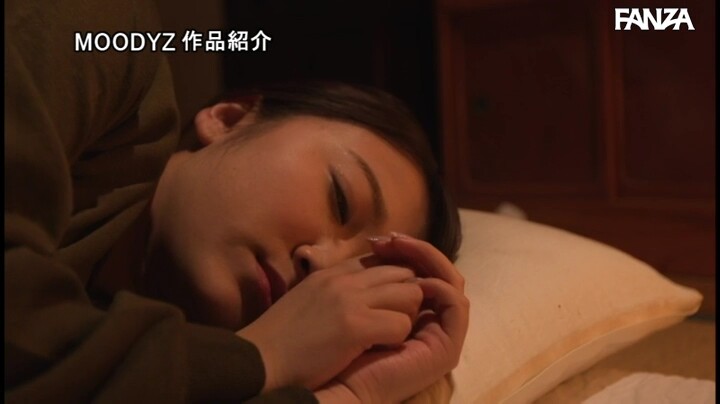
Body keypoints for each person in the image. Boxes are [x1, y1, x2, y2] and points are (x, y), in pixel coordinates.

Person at [5, 0, 468, 402]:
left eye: (357, 275)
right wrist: (265, 355)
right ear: (231, 118)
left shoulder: (178, 367)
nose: (321, 271)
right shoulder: (105, 35)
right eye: (341, 201)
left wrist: (351, 393)